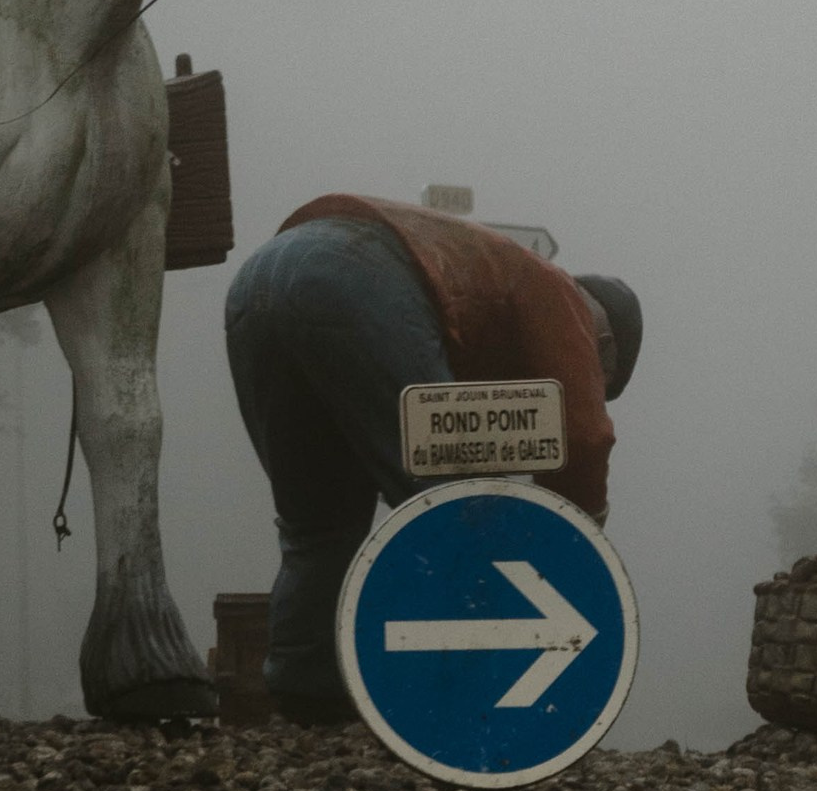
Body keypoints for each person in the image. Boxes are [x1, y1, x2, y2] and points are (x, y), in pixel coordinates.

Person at [222, 194, 642, 722]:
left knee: (319, 524)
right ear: (602, 343)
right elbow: (583, 438)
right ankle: (465, 701)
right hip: (353, 274)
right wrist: (578, 544)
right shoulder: (566, 300)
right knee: (452, 505)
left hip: (261, 276)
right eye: (602, 381)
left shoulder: (498, 295)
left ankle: (309, 697)